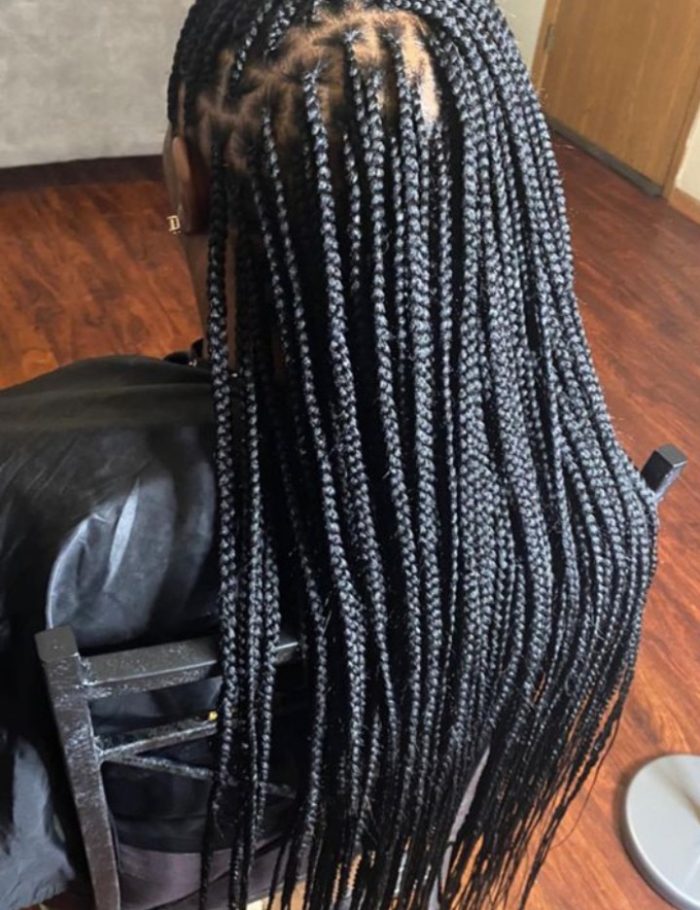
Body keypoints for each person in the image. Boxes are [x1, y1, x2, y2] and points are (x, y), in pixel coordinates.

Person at [0, 1, 660, 908]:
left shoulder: (43, 481)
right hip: (407, 813)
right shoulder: (576, 475)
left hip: (189, 864)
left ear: (185, 183)